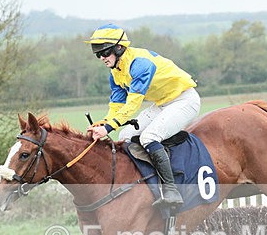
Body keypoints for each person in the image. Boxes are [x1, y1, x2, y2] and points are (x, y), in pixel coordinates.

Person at [84, 24, 201, 207]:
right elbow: (117, 106)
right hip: (162, 103)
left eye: (105, 53)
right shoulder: (115, 72)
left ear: (119, 48)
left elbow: (132, 105)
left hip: (184, 100)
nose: (101, 58)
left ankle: (172, 190)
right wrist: (103, 123)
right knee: (125, 135)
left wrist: (108, 128)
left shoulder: (140, 64)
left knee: (149, 137)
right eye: (98, 54)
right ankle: (145, 182)